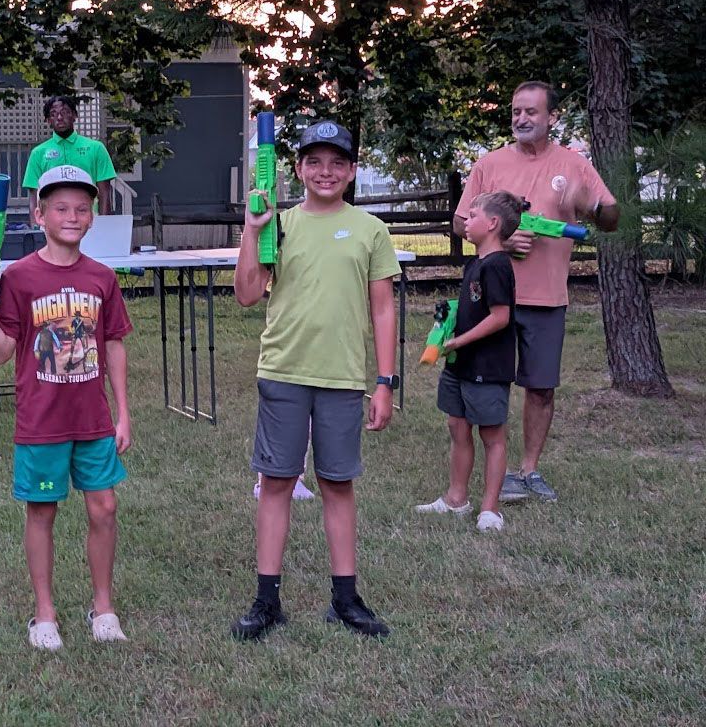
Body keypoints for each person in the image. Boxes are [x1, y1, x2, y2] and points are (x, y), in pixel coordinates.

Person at [231, 120, 400, 641]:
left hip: (342, 378)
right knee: (277, 482)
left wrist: (385, 380)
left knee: (337, 483)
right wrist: (253, 230)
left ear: (351, 171)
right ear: (298, 168)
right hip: (283, 371)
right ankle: (266, 600)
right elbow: (245, 293)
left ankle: (346, 599)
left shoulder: (370, 229)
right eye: (314, 162)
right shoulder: (279, 225)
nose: (325, 172)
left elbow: (383, 309)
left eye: (337, 163)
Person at [0, 165, 133, 651]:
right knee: (42, 510)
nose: (72, 216)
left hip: (93, 419)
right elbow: (2, 350)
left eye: (82, 209)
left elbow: (115, 344)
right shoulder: (19, 277)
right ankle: (44, 614)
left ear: (92, 217)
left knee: (104, 507)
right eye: (60, 208)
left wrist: (123, 411)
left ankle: (103, 608)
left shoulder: (102, 278)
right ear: (38, 214)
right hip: (41, 422)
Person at [455, 81, 619, 503]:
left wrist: (594, 206)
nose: (521, 119)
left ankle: (526, 472)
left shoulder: (574, 164)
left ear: (552, 118)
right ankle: (488, 469)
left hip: (546, 296)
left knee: (541, 387)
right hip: (491, 298)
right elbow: (459, 223)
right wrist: (503, 243)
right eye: (516, 112)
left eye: (531, 112)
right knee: (485, 383)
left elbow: (612, 218)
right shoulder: (489, 165)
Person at [417, 191, 521, 532]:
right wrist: (448, 318)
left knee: (492, 436)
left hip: (487, 368)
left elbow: (500, 316)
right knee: (457, 428)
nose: (466, 220)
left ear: (492, 224)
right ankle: (455, 500)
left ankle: (490, 509)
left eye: (473, 215)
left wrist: (459, 340)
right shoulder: (475, 263)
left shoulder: (498, 265)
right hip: (459, 365)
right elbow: (473, 307)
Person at [22, 96, 116, 222]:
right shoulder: (38, 153)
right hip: (52, 224)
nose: (59, 117)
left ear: (74, 115)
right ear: (48, 120)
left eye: (65, 112)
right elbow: (34, 197)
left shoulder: (96, 148)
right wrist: (36, 228)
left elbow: (104, 194)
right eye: (53, 114)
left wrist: (103, 225)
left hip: (88, 221)